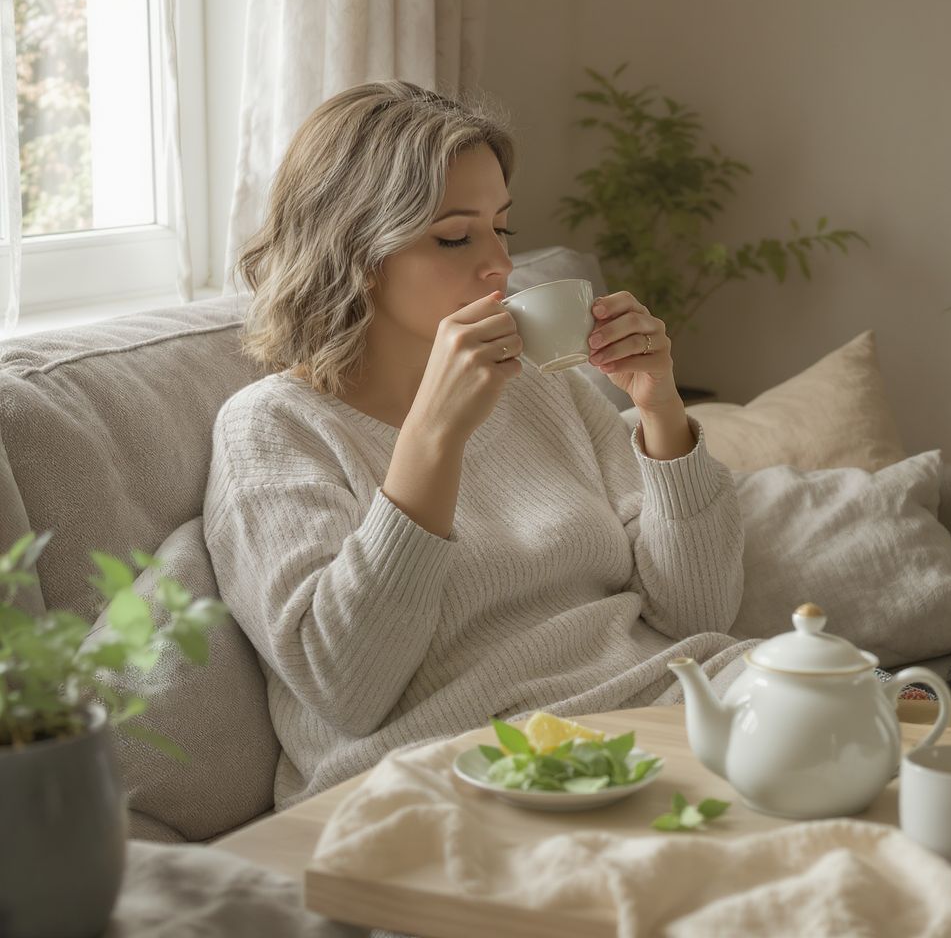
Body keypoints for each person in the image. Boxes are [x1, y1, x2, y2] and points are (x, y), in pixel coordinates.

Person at [204, 80, 748, 811]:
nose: (500, 264)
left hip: (666, 704)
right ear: (355, 251)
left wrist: (660, 409)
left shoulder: (544, 385)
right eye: (456, 237)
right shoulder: (272, 429)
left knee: (862, 710)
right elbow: (347, 688)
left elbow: (697, 614)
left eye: (502, 228)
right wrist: (435, 434)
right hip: (471, 767)